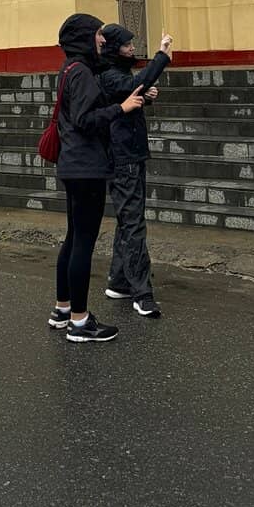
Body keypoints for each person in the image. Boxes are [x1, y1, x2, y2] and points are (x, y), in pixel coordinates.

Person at [49, 13, 145, 343]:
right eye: (98, 34)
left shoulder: (68, 69)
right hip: (86, 166)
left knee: (73, 238)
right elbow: (85, 119)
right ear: (84, 37)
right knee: (83, 245)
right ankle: (79, 321)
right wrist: (124, 108)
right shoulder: (84, 74)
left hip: (71, 165)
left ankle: (62, 309)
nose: (102, 40)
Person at [98, 26, 174, 318]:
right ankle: (142, 293)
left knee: (128, 219)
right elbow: (133, 84)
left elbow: (133, 90)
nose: (132, 48)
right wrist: (162, 56)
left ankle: (119, 281)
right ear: (115, 47)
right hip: (123, 157)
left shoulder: (116, 73)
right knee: (133, 224)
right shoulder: (109, 73)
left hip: (129, 153)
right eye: (128, 45)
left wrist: (147, 94)